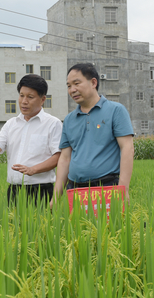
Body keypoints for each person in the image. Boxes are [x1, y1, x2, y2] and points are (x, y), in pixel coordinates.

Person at [0, 74, 62, 204]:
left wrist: (33, 169)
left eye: (30, 97)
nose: (24, 101)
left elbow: (58, 157)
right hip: (14, 190)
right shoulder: (11, 124)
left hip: (41, 189)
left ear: (43, 99)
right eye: (21, 95)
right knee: (14, 224)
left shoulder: (53, 124)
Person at [52, 63, 134, 204]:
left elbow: (127, 148)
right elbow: (65, 159)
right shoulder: (69, 119)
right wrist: (55, 197)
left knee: (107, 226)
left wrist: (123, 189)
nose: (72, 90)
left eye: (76, 83)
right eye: (69, 86)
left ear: (93, 82)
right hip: (75, 189)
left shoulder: (116, 110)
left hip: (106, 186)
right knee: (76, 226)